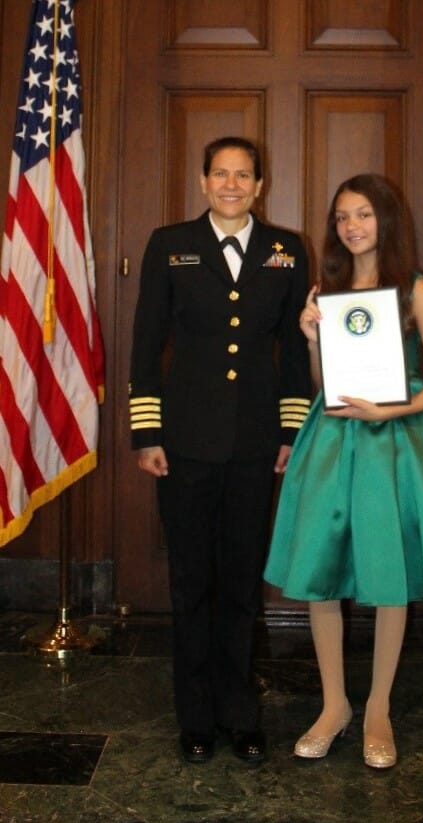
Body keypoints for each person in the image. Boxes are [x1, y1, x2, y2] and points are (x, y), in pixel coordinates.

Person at [264, 174, 423, 769]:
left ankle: (377, 711)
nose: (351, 226)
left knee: (390, 574)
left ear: (384, 220)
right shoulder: (330, 288)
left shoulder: (414, 288)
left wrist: (396, 406)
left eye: (363, 214)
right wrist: (312, 339)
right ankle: (334, 704)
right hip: (334, 440)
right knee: (319, 571)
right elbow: (325, 387)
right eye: (342, 217)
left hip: (396, 440)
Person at [129, 136, 311, 764]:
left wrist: (291, 430)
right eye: (220, 174)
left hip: (256, 445)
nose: (231, 184)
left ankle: (240, 713)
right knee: (190, 583)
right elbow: (146, 342)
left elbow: (293, 352)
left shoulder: (288, 251)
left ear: (260, 185)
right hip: (183, 445)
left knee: (239, 584)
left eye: (244, 175)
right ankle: (196, 716)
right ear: (203, 182)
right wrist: (146, 432)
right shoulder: (169, 245)